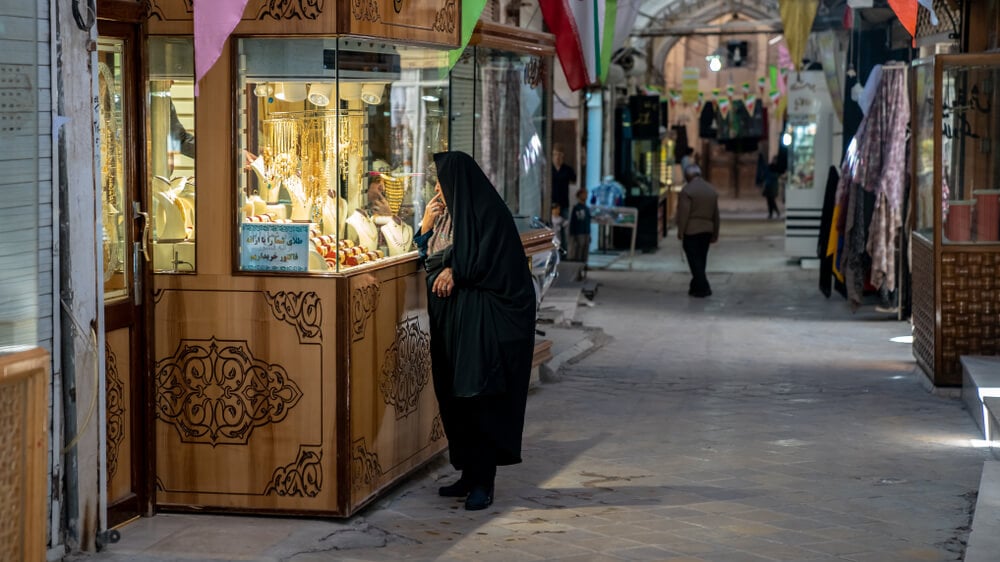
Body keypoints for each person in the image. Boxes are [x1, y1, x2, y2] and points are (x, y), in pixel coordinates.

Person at [414, 151, 536, 511]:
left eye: (441, 181)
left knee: (477, 395)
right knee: (454, 396)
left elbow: (494, 266)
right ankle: (467, 472)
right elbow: (425, 255)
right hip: (451, 320)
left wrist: (459, 272)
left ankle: (485, 481)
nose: (437, 187)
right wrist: (424, 223)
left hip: (482, 325)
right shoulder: (448, 217)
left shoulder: (488, 215)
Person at [675, 164, 720, 298]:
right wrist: (715, 233)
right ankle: (694, 287)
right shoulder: (711, 190)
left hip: (691, 230)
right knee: (701, 259)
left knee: (694, 261)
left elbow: (684, 213)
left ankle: (704, 288)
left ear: (688, 176)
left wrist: (680, 231)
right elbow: (715, 215)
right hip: (706, 230)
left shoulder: (687, 191)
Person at [568, 188, 591, 268]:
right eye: (584, 194)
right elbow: (573, 221)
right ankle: (578, 267)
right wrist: (572, 233)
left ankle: (584, 266)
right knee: (579, 250)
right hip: (579, 232)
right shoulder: (577, 208)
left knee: (585, 250)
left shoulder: (587, 208)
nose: (586, 196)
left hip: (586, 232)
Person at [551, 143, 576, 212]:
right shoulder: (549, 169)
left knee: (564, 222)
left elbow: (574, 179)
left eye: (559, 154)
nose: (557, 157)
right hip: (551, 204)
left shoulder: (567, 169)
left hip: (563, 204)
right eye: (555, 154)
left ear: (562, 156)